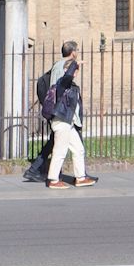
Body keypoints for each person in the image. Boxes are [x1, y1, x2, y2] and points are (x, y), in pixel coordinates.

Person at [45, 41, 97, 189]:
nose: (76, 73)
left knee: (78, 149)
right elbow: (67, 77)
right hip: (61, 121)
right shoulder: (62, 83)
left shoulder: (70, 86)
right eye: (75, 71)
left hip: (68, 122)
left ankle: (80, 178)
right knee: (60, 151)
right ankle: (53, 180)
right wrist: (74, 64)